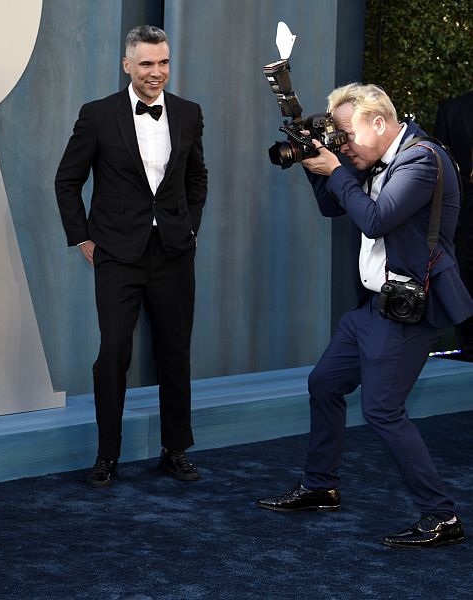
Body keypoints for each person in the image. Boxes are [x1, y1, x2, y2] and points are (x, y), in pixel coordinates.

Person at [257, 83, 472, 548]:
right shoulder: (370, 159)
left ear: (379, 122)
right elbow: (332, 206)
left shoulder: (421, 159)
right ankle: (320, 486)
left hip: (410, 308)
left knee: (382, 411)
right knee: (325, 383)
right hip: (372, 307)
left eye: (346, 133)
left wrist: (336, 169)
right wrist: (318, 165)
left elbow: (375, 220)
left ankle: (442, 517)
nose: (344, 144)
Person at [55, 25, 208, 487]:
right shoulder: (98, 115)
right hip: (117, 254)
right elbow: (67, 180)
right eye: (146, 64)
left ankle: (175, 450)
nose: (156, 73)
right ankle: (107, 456)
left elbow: (197, 177)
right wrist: (82, 238)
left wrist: (190, 227)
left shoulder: (188, 112)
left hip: (173, 254)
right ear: (127, 65)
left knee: (175, 353)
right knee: (114, 352)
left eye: (163, 63)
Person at [434, 90, 473, 359]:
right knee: (465, 280)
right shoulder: (451, 108)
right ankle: (470, 349)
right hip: (465, 219)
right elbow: (438, 165)